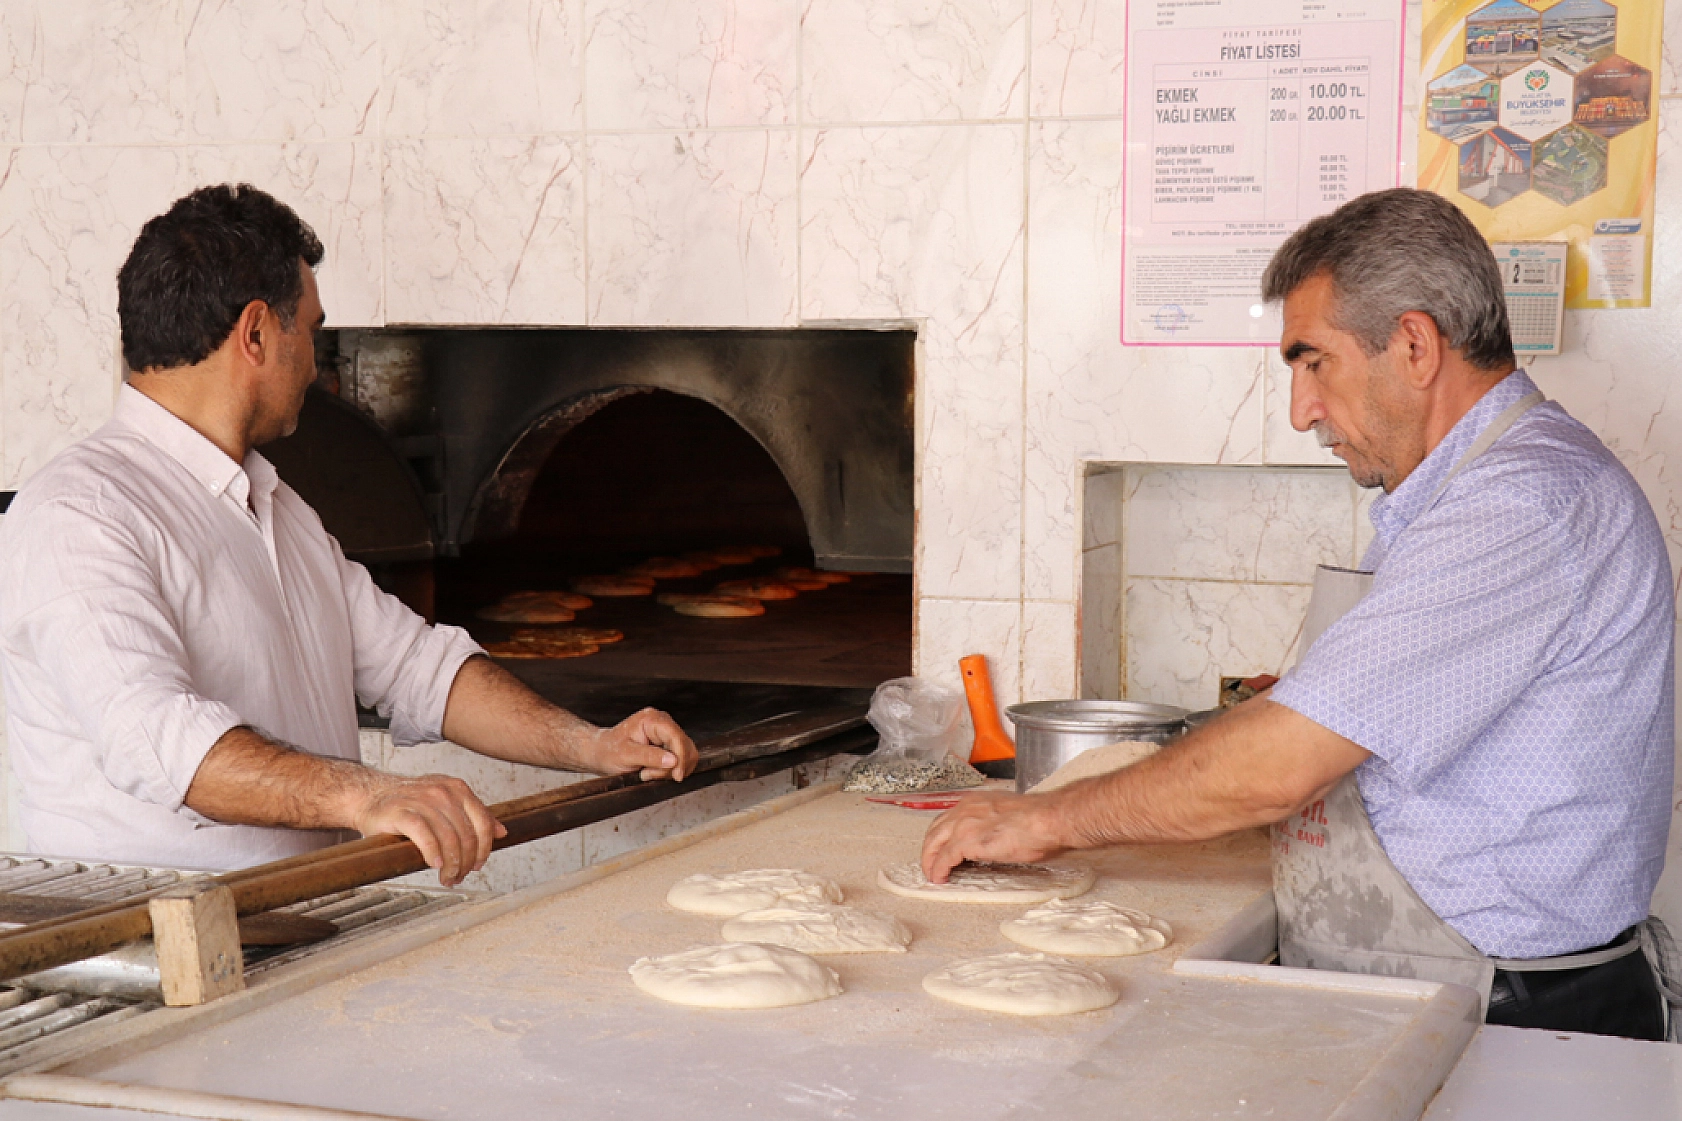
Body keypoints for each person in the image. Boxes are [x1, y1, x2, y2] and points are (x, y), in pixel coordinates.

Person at [920, 188, 1674, 1040]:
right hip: (1452, 979)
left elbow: (1285, 763)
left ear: (1416, 344)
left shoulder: (1518, 508)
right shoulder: (1468, 489)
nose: (1301, 409)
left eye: (1314, 361)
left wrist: (1048, 819)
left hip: (1517, 1018)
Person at [0, 184, 698, 887]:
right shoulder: (79, 512)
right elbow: (156, 739)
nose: (317, 364)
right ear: (255, 334)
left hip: (306, 929)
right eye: (311, 331)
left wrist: (592, 744)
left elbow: (418, 668)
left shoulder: (277, 509)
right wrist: (367, 792)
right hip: (155, 959)